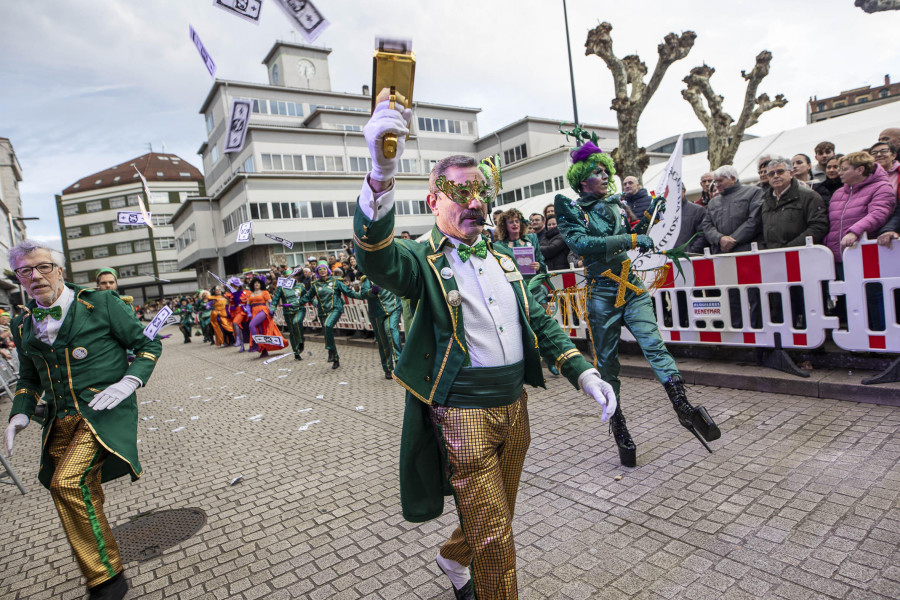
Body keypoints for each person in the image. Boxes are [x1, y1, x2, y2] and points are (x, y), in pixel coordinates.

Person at [356, 96, 616, 600]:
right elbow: (377, 257)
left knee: (498, 512)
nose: (476, 202)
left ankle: (453, 558)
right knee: (496, 538)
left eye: (483, 192)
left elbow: (539, 320)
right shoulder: (419, 260)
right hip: (462, 414)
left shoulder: (501, 254)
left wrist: (584, 372)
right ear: (433, 200)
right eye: (461, 192)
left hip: (516, 407)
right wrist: (379, 174)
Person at [3, 239, 162, 600]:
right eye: (26, 271)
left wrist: (129, 381)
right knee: (71, 489)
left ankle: (107, 579)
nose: (36, 276)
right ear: (19, 279)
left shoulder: (102, 303)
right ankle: (101, 565)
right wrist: (20, 414)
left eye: (43, 266)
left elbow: (148, 346)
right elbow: (28, 379)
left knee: (67, 483)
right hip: (61, 421)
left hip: (103, 413)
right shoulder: (23, 324)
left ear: (59, 270)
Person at [554, 140, 720, 470]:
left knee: (655, 346)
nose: (605, 175)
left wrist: (646, 223)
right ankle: (620, 428)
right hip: (601, 294)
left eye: (606, 171)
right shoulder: (569, 207)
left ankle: (684, 408)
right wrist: (631, 238)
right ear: (582, 179)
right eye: (597, 172)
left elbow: (637, 234)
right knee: (608, 366)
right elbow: (581, 244)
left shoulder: (617, 203)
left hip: (633, 288)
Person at [825, 152, 896, 329]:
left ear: (860, 169)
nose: (839, 173)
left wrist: (855, 232)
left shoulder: (881, 187)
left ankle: (881, 337)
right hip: (840, 256)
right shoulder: (838, 193)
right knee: (852, 297)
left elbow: (879, 213)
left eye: (844, 169)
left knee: (873, 295)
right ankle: (859, 339)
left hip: (866, 253)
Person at [759, 158, 829, 328]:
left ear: (791, 173)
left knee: (807, 301)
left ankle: (813, 341)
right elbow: (760, 229)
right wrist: (764, 249)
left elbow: (819, 226)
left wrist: (790, 249)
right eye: (771, 174)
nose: (776, 176)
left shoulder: (808, 196)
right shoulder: (765, 200)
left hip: (803, 258)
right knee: (783, 302)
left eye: (780, 172)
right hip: (774, 260)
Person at [302, 260, 358, 369]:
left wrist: (364, 294)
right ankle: (335, 356)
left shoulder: (336, 281)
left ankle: (329, 349)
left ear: (327, 270)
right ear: (317, 271)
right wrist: (296, 302)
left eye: (324, 269)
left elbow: (349, 292)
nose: (322, 271)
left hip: (335, 309)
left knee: (328, 326)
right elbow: (307, 297)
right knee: (328, 333)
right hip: (322, 312)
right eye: (320, 270)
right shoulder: (315, 285)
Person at [701, 165, 765, 254]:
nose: (717, 185)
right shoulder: (713, 202)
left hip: (748, 251)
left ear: (733, 179)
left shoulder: (754, 192)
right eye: (715, 181)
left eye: (720, 180)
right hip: (721, 254)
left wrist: (732, 241)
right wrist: (719, 239)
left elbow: (755, 220)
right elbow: (706, 225)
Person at [357, 271, 403, 379]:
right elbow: (363, 294)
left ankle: (399, 362)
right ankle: (387, 368)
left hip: (394, 307)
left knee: (391, 329)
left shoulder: (391, 273)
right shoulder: (367, 279)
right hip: (377, 313)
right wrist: (371, 291)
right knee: (382, 340)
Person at [246, 276, 284, 358]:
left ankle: (255, 343)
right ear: (252, 284)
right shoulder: (250, 294)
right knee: (260, 330)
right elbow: (248, 305)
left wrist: (271, 310)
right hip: (254, 312)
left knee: (251, 325)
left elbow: (270, 302)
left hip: (263, 311)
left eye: (258, 283)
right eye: (255, 283)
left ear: (261, 284)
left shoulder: (264, 292)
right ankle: (263, 350)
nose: (256, 284)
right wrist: (248, 312)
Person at [271, 275, 307, 360]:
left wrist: (315, 302)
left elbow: (308, 296)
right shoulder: (281, 288)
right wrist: (272, 309)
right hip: (288, 312)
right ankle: (296, 352)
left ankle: (301, 341)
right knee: (293, 332)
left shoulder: (301, 287)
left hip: (299, 309)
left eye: (293, 277)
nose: (291, 279)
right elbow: (275, 300)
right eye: (289, 277)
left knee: (297, 322)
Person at [226, 278, 249, 352]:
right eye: (233, 285)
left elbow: (248, 301)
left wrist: (246, 308)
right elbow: (227, 304)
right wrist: (227, 312)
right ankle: (242, 345)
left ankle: (238, 339)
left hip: (241, 311)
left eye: (236, 285)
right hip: (234, 311)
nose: (235, 287)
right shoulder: (229, 294)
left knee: (235, 323)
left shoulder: (244, 293)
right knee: (238, 328)